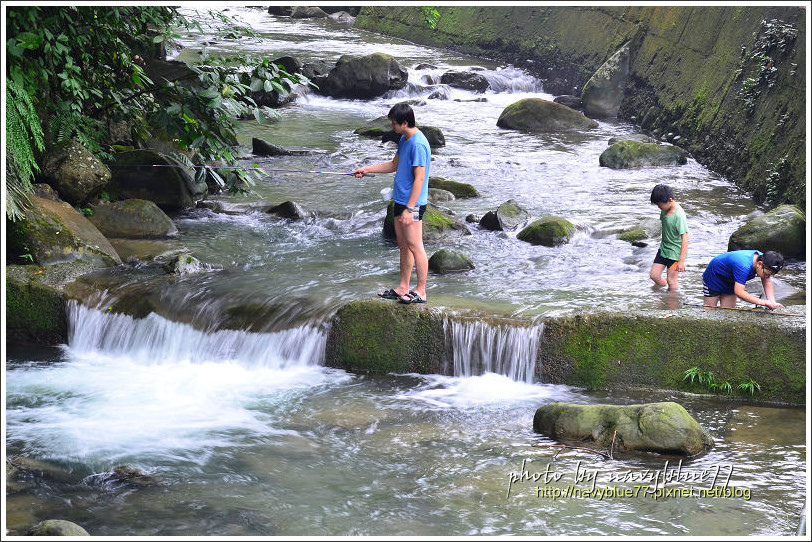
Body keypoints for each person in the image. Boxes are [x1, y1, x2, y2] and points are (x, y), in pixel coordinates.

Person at [352, 103, 430, 304]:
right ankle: (403, 287)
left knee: (415, 245)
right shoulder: (405, 140)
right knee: (404, 246)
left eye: (394, 124)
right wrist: (367, 169)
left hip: (412, 205)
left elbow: (419, 179)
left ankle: (421, 291)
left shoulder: (418, 144)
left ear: (405, 123)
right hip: (400, 200)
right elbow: (394, 165)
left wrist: (410, 208)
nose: (391, 127)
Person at [702, 249, 784, 309]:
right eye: (765, 274)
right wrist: (762, 302)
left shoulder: (766, 260)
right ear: (759, 264)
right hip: (714, 276)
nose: (765, 277)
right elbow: (739, 292)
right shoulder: (743, 266)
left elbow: (767, 282)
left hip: (731, 279)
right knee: (710, 310)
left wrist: (772, 302)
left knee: (728, 312)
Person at [648, 184, 689, 291]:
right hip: (664, 249)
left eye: (660, 205)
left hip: (675, 253)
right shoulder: (664, 210)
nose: (659, 208)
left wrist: (681, 261)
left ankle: (672, 303)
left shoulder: (679, 216)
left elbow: (685, 237)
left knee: (672, 280)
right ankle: (664, 296)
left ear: (670, 200)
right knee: (654, 275)